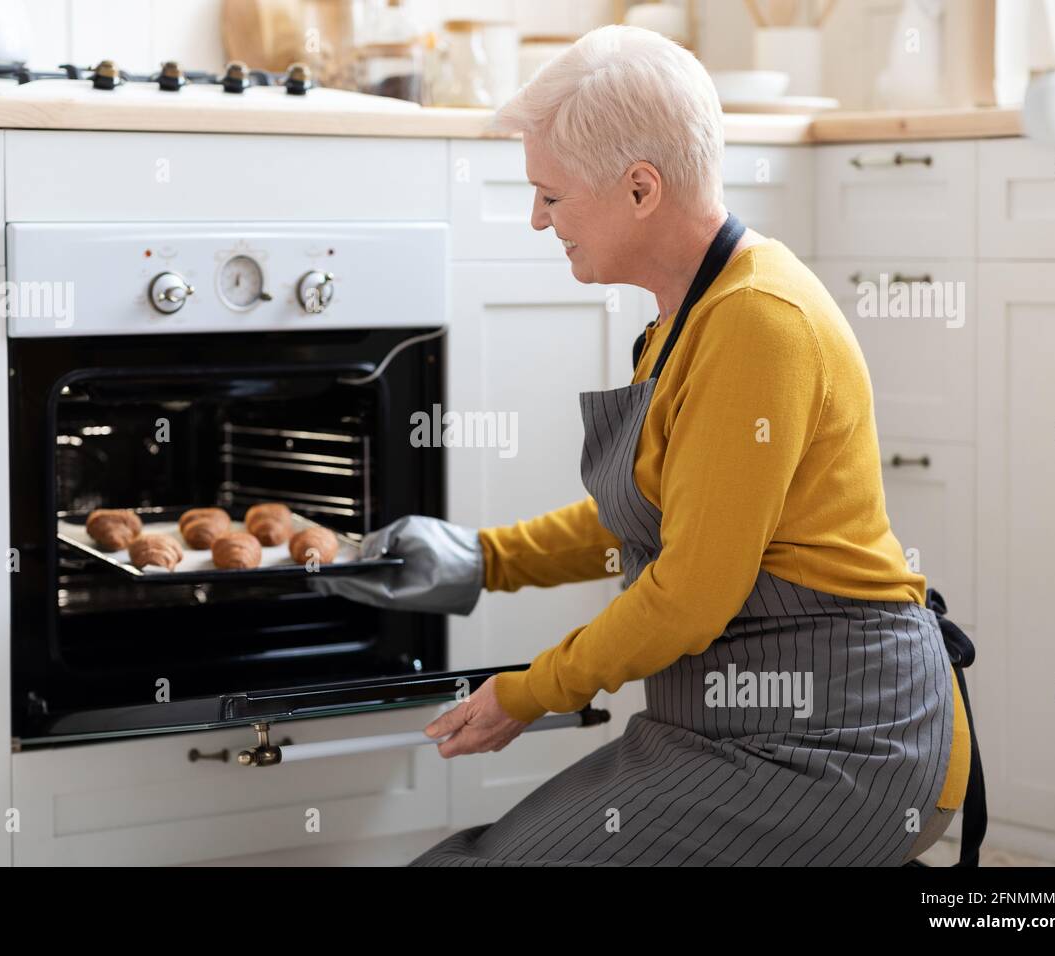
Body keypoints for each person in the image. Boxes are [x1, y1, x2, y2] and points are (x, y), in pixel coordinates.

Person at [315, 25, 969, 866]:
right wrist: (483, 557)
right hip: (723, 726)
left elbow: (692, 591)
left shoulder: (758, 324)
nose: (537, 219)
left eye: (552, 196)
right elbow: (654, 516)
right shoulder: (689, 314)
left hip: (845, 742)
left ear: (639, 188)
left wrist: (524, 694)